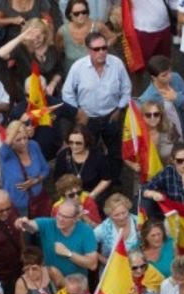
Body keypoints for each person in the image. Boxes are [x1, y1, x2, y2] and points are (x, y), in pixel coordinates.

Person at [61, 32, 132, 182]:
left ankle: (113, 181)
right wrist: (78, 112)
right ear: (88, 50)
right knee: (89, 151)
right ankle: (92, 181)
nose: (101, 52)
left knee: (116, 152)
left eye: (104, 48)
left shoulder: (117, 64)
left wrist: (120, 108)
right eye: (96, 49)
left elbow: (127, 89)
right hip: (88, 119)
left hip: (111, 116)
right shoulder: (78, 67)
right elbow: (66, 93)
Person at [14, 201, 98, 278]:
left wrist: (68, 254)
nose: (60, 219)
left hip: (75, 284)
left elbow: (92, 264)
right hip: (51, 281)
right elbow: (30, 227)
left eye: (65, 217)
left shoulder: (86, 231)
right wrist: (21, 222)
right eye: (59, 214)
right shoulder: (48, 223)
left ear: (75, 219)